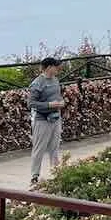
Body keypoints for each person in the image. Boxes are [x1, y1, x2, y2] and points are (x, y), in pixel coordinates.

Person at [27, 56, 65, 186]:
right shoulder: (37, 83)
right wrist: (49, 105)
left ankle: (57, 172)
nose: (58, 69)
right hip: (42, 120)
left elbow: (57, 96)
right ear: (49, 67)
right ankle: (34, 176)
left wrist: (60, 102)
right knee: (39, 148)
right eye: (56, 66)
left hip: (55, 118)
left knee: (54, 147)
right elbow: (31, 103)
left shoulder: (55, 80)